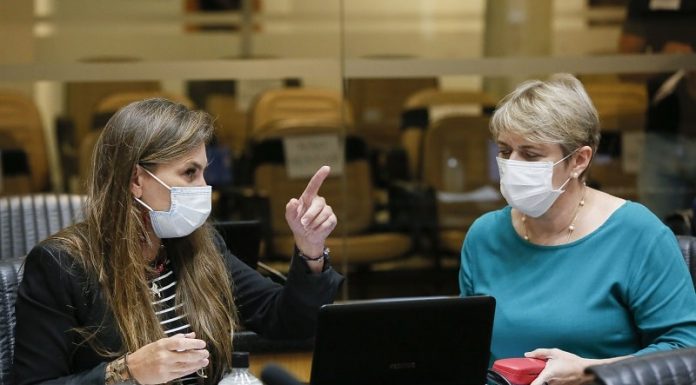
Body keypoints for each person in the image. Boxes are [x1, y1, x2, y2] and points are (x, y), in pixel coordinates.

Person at [13, 98, 344, 385]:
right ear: (136, 179)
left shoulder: (200, 244)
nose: (204, 188)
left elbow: (288, 321)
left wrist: (310, 249)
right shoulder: (62, 264)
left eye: (203, 172)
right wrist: (127, 371)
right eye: (190, 173)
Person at [459, 74, 696, 385]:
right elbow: (465, 349)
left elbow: (686, 353)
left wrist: (590, 372)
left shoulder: (638, 234)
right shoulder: (484, 236)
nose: (513, 164)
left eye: (531, 155)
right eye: (505, 151)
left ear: (579, 161)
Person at [618, 0, 696, 220]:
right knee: (654, 235)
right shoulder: (645, 3)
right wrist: (665, 60)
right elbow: (624, 68)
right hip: (661, 138)